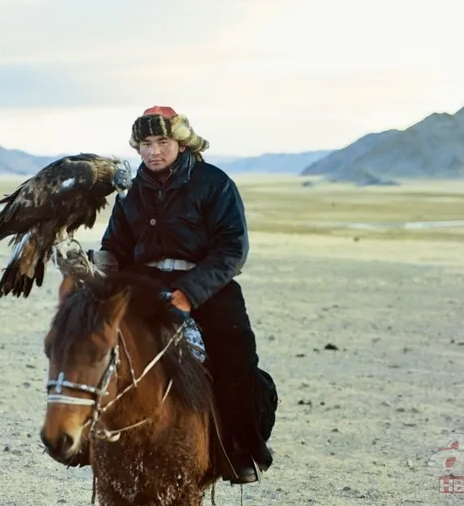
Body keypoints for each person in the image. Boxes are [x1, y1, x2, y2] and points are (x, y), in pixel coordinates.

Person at [93, 105, 278, 485]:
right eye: (145, 143)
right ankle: (85, 441)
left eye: (162, 141)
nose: (153, 151)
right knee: (93, 344)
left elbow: (232, 249)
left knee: (235, 356)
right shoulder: (131, 191)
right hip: (144, 283)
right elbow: (116, 244)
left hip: (207, 285)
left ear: (181, 142)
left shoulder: (214, 183)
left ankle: (239, 448)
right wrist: (99, 267)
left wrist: (189, 293)